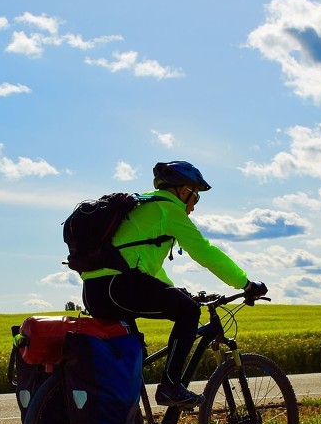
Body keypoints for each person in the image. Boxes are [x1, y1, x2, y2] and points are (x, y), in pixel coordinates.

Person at [80, 161, 268, 408]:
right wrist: (245, 283)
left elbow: (145, 265)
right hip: (120, 286)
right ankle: (170, 386)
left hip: (96, 289)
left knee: (132, 356)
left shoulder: (142, 204)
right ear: (182, 190)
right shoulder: (169, 209)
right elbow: (205, 252)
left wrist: (174, 290)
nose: (194, 206)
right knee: (189, 311)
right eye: (195, 197)